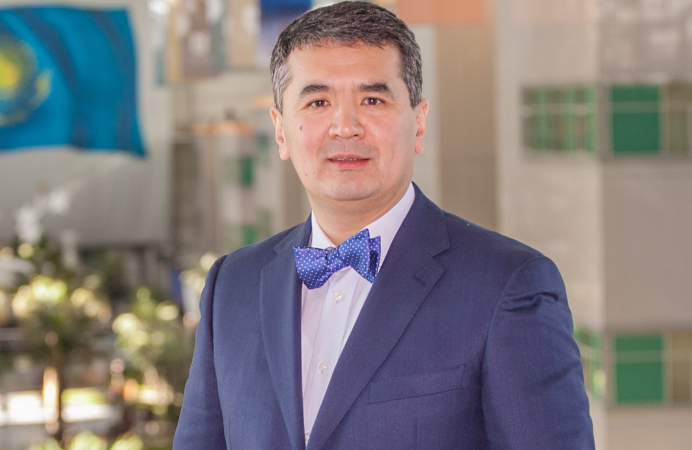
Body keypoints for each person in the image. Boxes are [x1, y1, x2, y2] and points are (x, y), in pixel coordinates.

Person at [173, 2, 594, 449]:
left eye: (372, 100)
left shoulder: (507, 285)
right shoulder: (232, 285)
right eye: (318, 102)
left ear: (419, 122)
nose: (345, 127)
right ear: (281, 130)